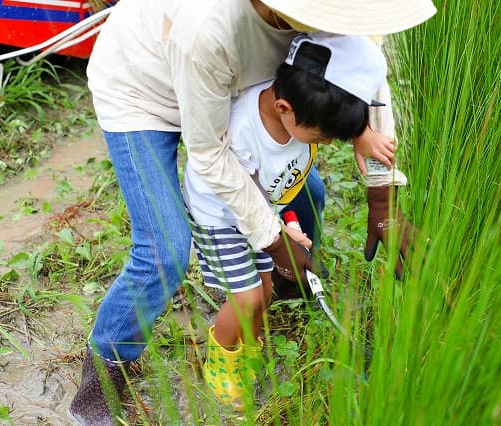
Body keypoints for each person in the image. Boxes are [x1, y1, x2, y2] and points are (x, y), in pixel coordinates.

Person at [69, 0, 437, 424]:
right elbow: (209, 153)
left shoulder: (334, 12)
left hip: (235, 86)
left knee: (306, 191)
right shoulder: (208, 28)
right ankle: (102, 374)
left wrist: (381, 196)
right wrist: (274, 239)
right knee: (164, 250)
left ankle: (291, 285)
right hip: (144, 90)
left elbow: (369, 78)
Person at [183, 32, 388, 410]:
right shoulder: (245, 130)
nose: (325, 145)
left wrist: (286, 224)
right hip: (220, 214)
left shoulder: (302, 114)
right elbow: (246, 196)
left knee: (263, 292)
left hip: (260, 214)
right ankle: (220, 359)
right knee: (245, 298)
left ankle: (248, 351)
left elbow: (279, 189)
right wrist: (280, 236)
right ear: (283, 107)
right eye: (323, 137)